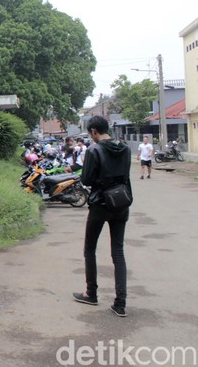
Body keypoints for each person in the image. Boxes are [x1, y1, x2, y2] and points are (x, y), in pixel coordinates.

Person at [73, 116, 132, 317]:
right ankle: (120, 303)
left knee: (90, 248)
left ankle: (91, 293)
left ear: (94, 132)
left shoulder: (94, 150)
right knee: (118, 251)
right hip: (121, 203)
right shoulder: (125, 149)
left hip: (100, 204)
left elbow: (87, 179)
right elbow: (125, 175)